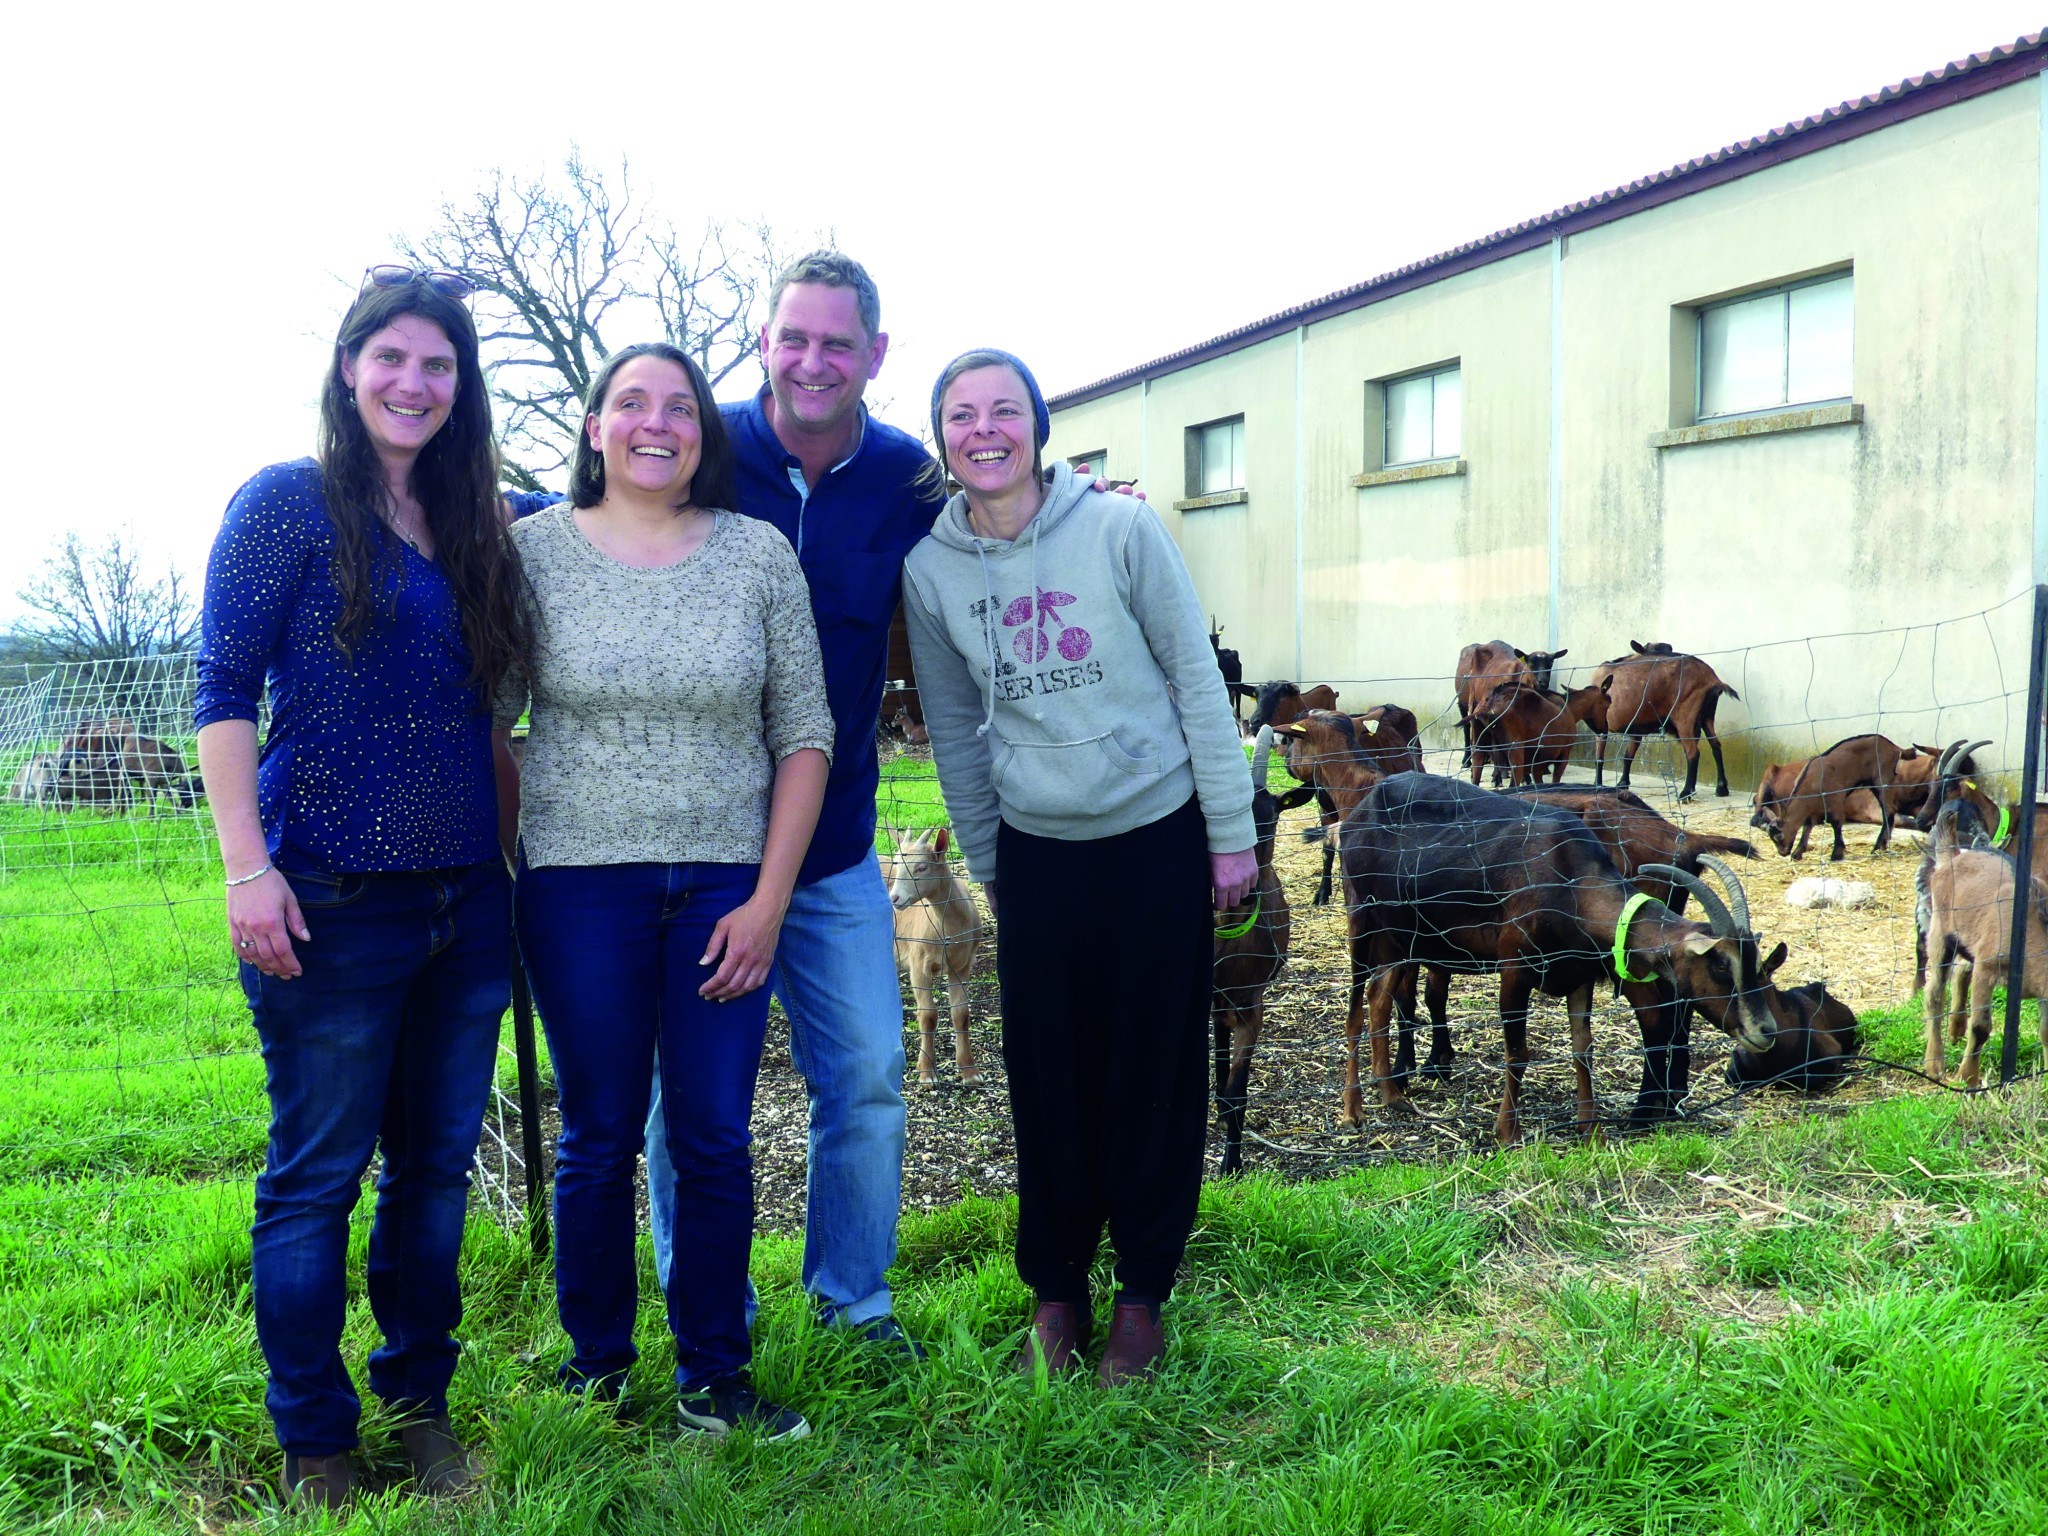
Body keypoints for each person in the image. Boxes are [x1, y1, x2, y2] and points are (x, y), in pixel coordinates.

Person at [194, 265, 529, 1511]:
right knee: (318, 1172)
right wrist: (247, 869)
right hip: (326, 895)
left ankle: (417, 1401)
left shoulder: (481, 521)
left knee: (434, 1172)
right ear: (349, 370)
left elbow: (620, 501)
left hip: (463, 902)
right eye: (391, 357)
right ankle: (316, 1438)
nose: (413, 381)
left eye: (437, 365)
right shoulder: (288, 506)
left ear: (460, 387)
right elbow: (223, 692)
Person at [494, 342, 833, 1439]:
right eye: (629, 402)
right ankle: (595, 1366)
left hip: (724, 894)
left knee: (712, 1135)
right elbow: (493, 723)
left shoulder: (756, 555)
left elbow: (805, 734)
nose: (654, 422)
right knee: (596, 1133)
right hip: (578, 893)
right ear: (594, 428)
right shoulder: (529, 555)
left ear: (704, 433)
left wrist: (768, 900)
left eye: (677, 406)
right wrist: (521, 864)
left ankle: (713, 1376)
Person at [901, 349, 1257, 1384]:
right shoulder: (929, 572)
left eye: (1003, 409)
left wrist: (1227, 832)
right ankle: (1057, 1288)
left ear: (1038, 426)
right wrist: (988, 858)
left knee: (1151, 1068)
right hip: (1036, 853)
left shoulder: (1121, 528)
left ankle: (1142, 1293)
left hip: (1152, 834)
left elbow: (1195, 676)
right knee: (1047, 1075)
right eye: (959, 415)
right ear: (941, 439)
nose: (983, 430)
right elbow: (957, 732)